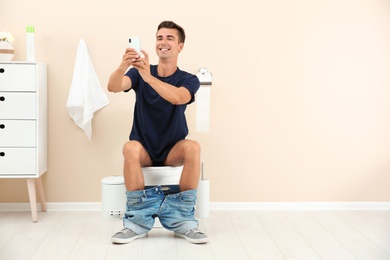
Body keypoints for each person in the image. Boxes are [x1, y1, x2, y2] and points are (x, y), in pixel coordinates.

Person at [107, 21, 208, 244]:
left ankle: (183, 221)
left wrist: (148, 78)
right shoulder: (138, 73)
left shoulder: (187, 79)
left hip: (172, 149)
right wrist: (123, 66)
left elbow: (179, 98)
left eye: (170, 38)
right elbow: (113, 86)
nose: (163, 42)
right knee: (129, 147)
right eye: (159, 38)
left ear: (180, 46)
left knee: (193, 147)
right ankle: (136, 223)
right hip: (145, 148)